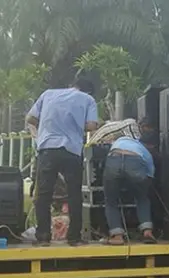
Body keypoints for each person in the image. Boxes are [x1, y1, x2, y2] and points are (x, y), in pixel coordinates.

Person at [26, 77, 99, 245]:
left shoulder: (47, 94)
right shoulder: (88, 99)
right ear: (88, 91)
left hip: (47, 149)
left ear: (71, 86)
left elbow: (30, 118)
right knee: (74, 194)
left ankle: (43, 236)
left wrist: (46, 126)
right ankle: (74, 237)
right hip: (71, 150)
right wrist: (74, 123)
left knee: (43, 194)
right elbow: (91, 126)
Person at [103, 117, 159, 245]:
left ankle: (117, 236)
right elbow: (150, 174)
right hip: (135, 161)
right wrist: (144, 188)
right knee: (142, 198)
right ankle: (147, 232)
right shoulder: (143, 149)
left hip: (114, 157)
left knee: (111, 200)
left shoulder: (117, 142)